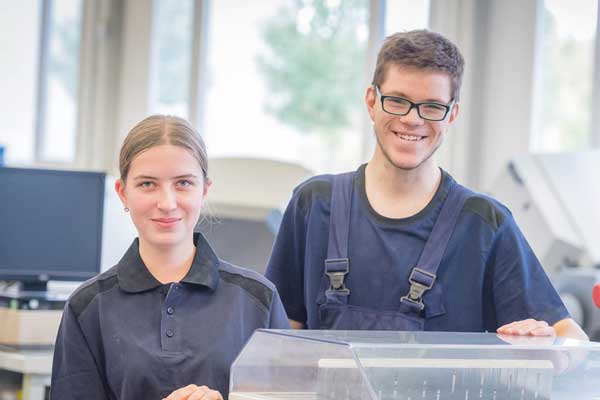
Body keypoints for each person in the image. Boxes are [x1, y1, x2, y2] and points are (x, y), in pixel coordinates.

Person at [265, 30, 588, 340]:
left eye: (432, 106)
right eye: (397, 101)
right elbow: (279, 333)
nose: (413, 119)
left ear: (452, 114)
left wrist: (548, 343)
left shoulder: (484, 224)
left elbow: (571, 337)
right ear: (371, 101)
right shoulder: (315, 204)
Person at [51, 115, 290, 400]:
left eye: (183, 183)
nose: (167, 203)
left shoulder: (259, 301)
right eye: (148, 184)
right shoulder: (87, 308)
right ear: (123, 193)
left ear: (204, 191)